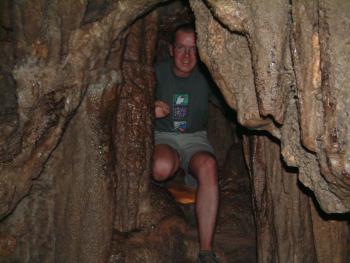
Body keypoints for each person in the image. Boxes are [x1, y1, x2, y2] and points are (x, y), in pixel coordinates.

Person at [152, 23, 220, 263]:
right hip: (163, 137)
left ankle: (206, 251)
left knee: (209, 166)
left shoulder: (208, 76)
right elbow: (132, 100)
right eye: (181, 48)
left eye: (192, 49)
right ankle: (168, 180)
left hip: (195, 139)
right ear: (171, 49)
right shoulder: (157, 73)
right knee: (160, 167)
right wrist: (150, 109)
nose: (186, 55)